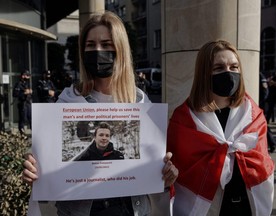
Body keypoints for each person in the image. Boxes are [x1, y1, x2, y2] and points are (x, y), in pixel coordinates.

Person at [22, 11, 178, 216]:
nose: (98, 50)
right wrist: (35, 171)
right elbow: (50, 177)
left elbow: (150, 173)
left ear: (120, 49)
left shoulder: (141, 103)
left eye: (106, 44)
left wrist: (165, 174)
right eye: (90, 45)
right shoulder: (66, 102)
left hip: (133, 211)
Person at [167, 40, 274, 216]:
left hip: (246, 207)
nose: (228, 73)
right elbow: (177, 171)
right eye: (219, 68)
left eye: (234, 67)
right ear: (204, 73)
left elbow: (262, 162)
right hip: (207, 210)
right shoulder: (184, 120)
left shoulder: (253, 115)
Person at [259, 72, 276, 153]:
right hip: (258, 104)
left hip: (260, 105)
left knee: (264, 125)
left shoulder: (260, 75)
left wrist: (259, 102)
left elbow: (265, 91)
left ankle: (272, 144)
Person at [12, 70, 32, 134]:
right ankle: (22, 132)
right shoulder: (18, 84)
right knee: (22, 119)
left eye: (28, 76)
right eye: (26, 75)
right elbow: (15, 94)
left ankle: (34, 131)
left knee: (31, 117)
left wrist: (31, 92)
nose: (27, 77)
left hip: (28, 103)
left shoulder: (27, 84)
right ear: (22, 76)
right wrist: (24, 93)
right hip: (22, 103)